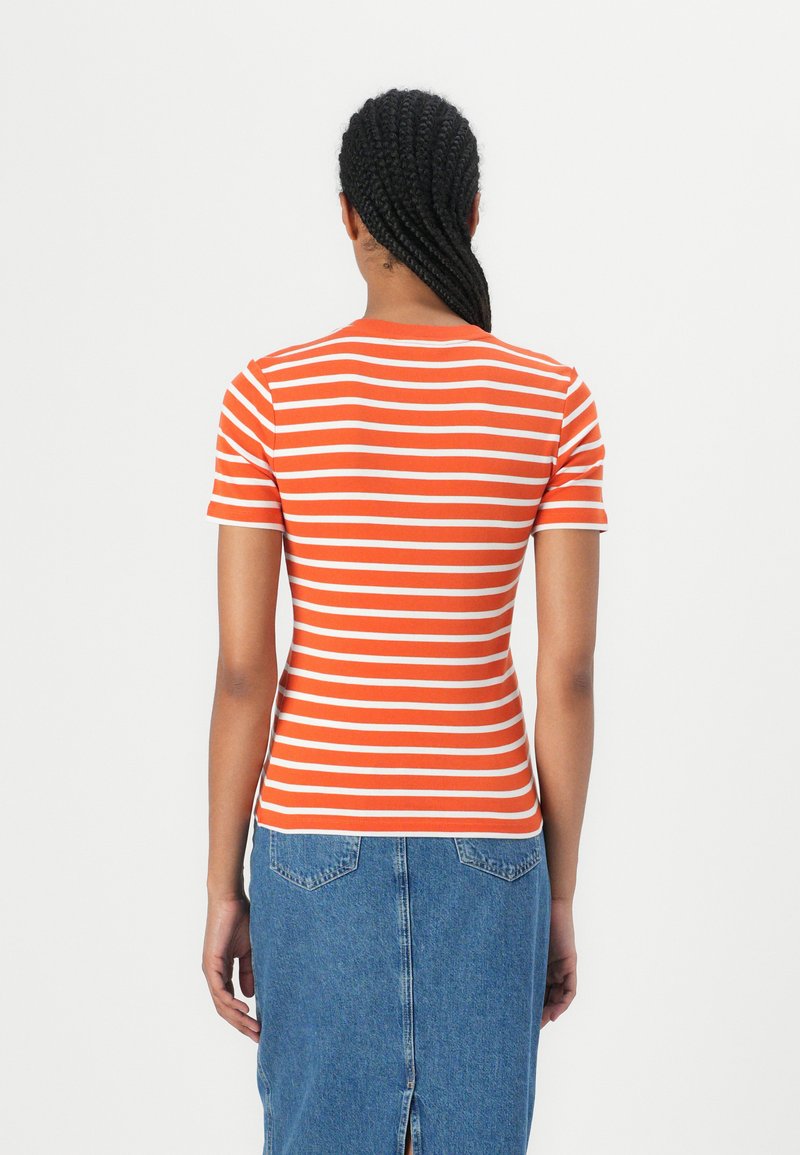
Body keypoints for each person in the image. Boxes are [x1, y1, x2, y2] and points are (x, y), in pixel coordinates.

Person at [202, 86, 608, 1155]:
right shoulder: (552, 400)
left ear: (347, 214)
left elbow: (244, 670)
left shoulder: (269, 396)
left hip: (309, 836)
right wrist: (558, 896)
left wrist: (221, 882)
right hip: (491, 843)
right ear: (471, 213)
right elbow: (566, 672)